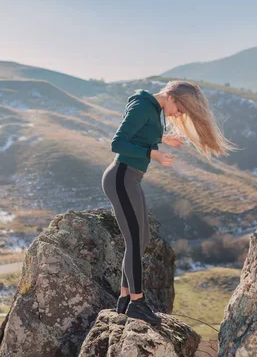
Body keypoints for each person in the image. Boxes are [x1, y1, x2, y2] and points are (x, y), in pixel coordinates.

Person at [101, 80, 238, 325]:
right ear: (171, 97)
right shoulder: (143, 106)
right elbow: (118, 143)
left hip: (130, 178)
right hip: (121, 177)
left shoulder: (152, 108)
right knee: (134, 241)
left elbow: (141, 133)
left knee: (140, 240)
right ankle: (137, 303)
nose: (179, 115)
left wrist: (163, 139)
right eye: (181, 109)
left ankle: (124, 298)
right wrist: (154, 153)